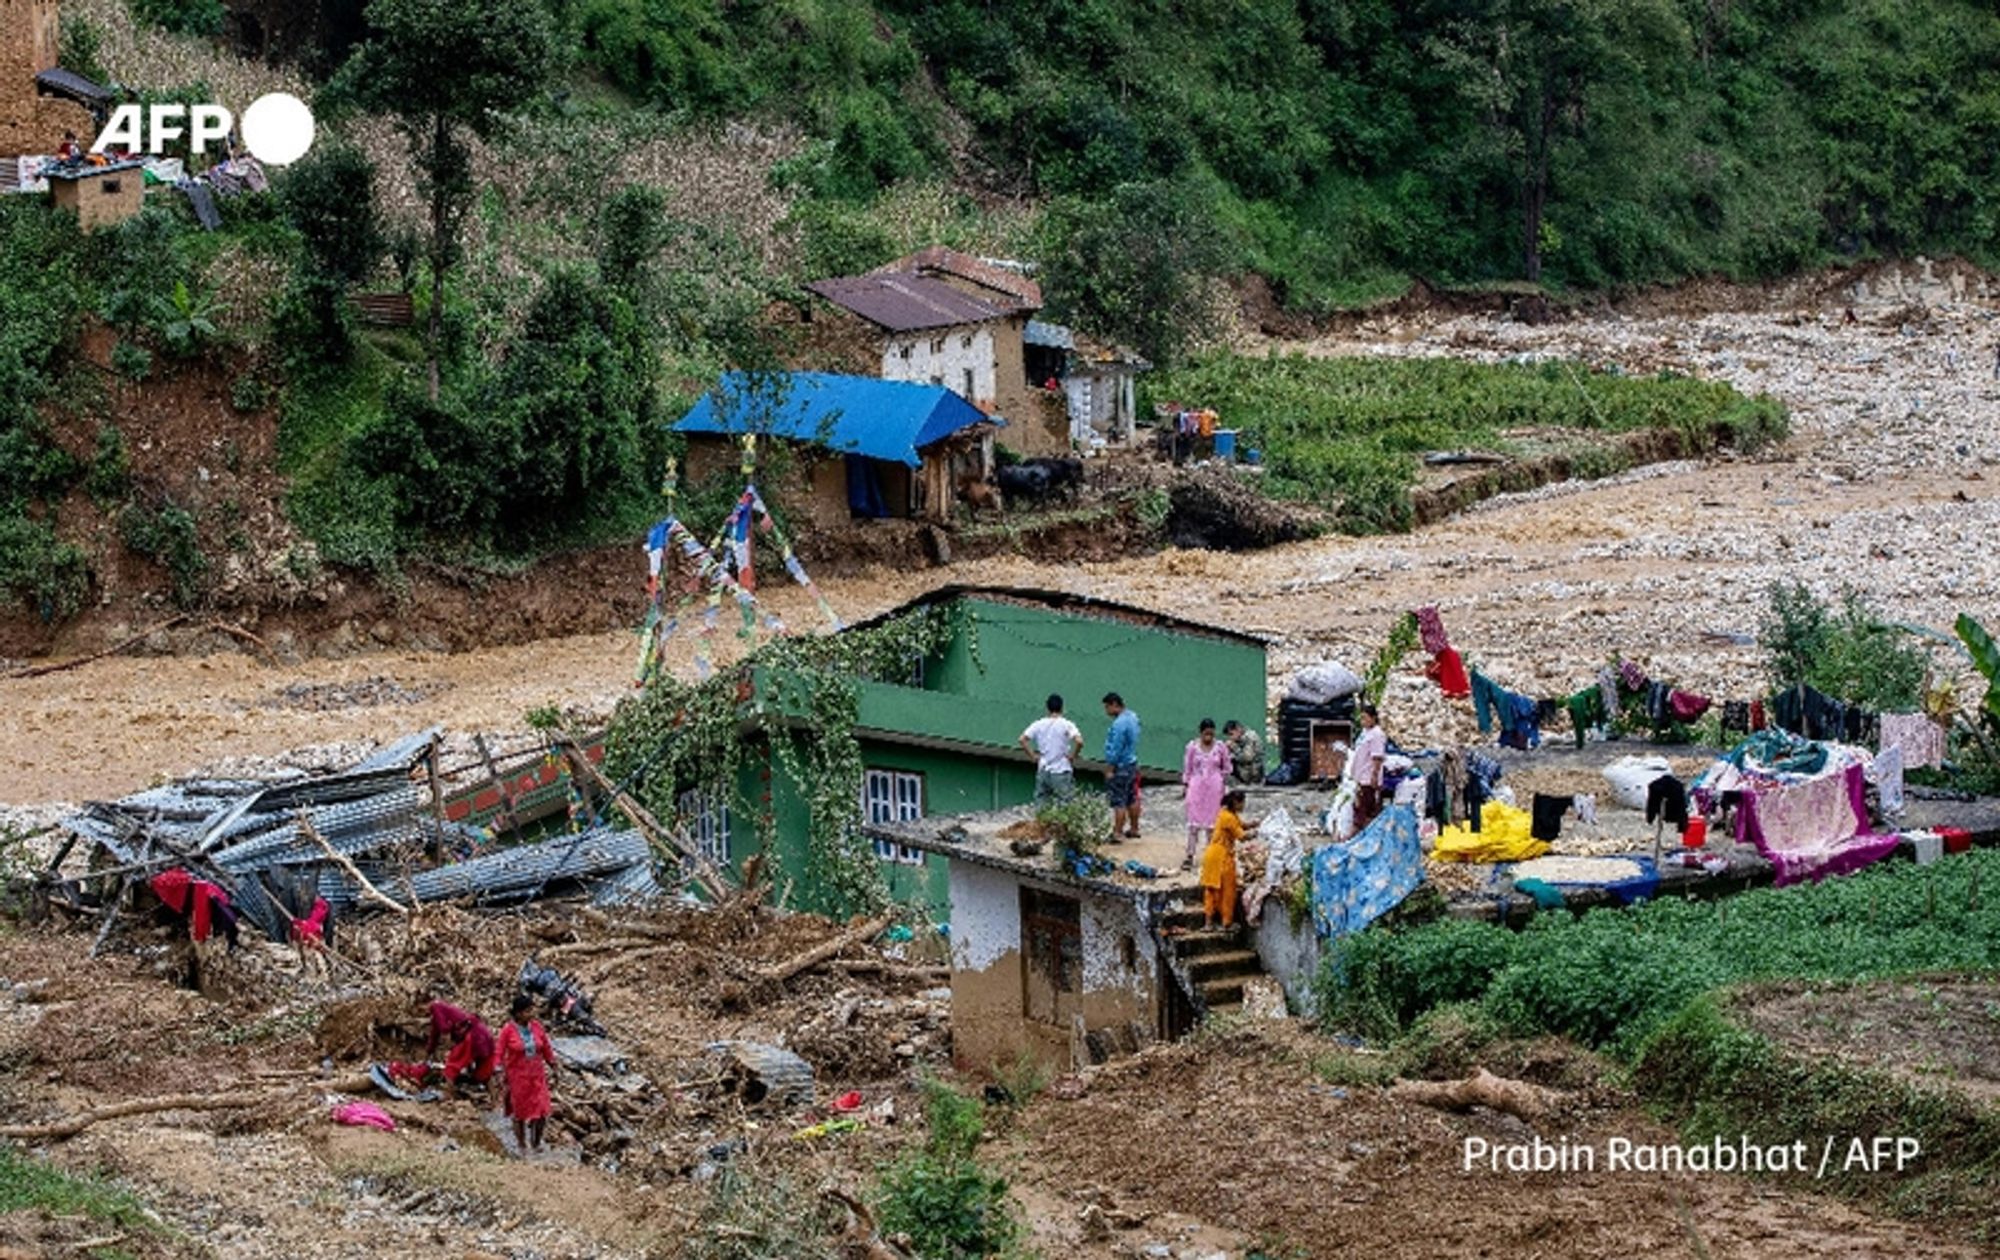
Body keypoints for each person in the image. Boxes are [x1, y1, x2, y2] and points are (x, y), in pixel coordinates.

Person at [498, 993, 557, 1157]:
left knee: (543, 1111)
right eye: (527, 1011)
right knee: (520, 1113)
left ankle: (536, 1143)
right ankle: (522, 1144)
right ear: (517, 1013)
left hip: (537, 1075)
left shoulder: (537, 1026)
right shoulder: (507, 1030)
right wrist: (497, 1071)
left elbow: (545, 1046)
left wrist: (553, 1064)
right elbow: (499, 1052)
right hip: (518, 1077)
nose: (531, 1014)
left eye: (532, 1010)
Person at [1201, 789, 1258, 930]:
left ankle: (1208, 923)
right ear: (1236, 802)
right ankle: (1227, 922)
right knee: (1227, 890)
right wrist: (1257, 833)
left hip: (1212, 855)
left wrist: (1254, 824)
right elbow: (1242, 836)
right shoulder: (1229, 818)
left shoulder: (1227, 813)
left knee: (1211, 890)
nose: (1244, 805)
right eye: (1242, 802)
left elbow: (1241, 825)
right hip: (1222, 857)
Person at [1181, 719, 1232, 871]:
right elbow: (1187, 768)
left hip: (1214, 789)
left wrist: (1220, 780)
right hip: (1196, 787)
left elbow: (1227, 767)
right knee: (1193, 823)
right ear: (1200, 733)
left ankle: (1211, 856)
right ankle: (1190, 855)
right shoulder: (1192, 747)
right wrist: (1186, 785)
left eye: (1211, 734)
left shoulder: (1220, 747)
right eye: (1205, 734)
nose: (1208, 738)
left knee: (1212, 825)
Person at [424, 996, 497, 1094]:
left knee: (451, 1067)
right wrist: (429, 1051)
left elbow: (444, 1029)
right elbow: (434, 1035)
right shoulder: (442, 1012)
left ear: (425, 1003)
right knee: (485, 1072)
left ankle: (448, 1097)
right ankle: (495, 1102)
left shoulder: (435, 1006)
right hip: (484, 1033)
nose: (424, 1012)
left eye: (422, 1008)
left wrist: (450, 1048)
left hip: (471, 1036)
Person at [1020, 694, 1084, 803]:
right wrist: (1073, 755)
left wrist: (1033, 756)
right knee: (1065, 804)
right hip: (1061, 768)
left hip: (1043, 767)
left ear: (1047, 708)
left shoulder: (1038, 724)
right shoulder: (1067, 724)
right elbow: (1079, 741)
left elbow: (1022, 739)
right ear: (1062, 708)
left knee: (1041, 804)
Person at [1102, 692, 1142, 842]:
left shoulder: (1118, 724)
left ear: (1114, 704)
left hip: (1120, 765)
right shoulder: (1133, 717)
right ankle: (1134, 828)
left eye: (1107, 707)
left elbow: (1116, 747)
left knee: (1119, 800)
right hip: (1132, 763)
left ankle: (1117, 832)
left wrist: (1110, 768)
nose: (1106, 711)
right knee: (1132, 797)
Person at [1352, 704, 1389, 831]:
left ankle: (1362, 833)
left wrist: (1374, 776)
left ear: (1373, 718)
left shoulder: (1377, 735)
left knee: (1365, 809)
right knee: (1360, 806)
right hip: (1361, 775)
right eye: (1361, 718)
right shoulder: (1365, 732)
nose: (1363, 721)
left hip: (1368, 777)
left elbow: (1377, 757)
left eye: (1365, 718)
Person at [1222, 720, 1265, 785]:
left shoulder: (1250, 737)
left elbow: (1248, 758)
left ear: (1238, 729)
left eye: (1231, 734)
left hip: (1253, 775)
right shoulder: (1239, 738)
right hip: (1246, 772)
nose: (1231, 738)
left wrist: (1235, 748)